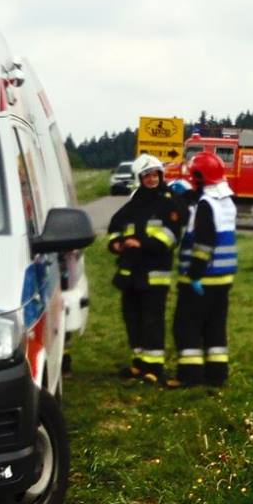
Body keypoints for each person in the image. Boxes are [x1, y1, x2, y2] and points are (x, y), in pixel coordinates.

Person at [105, 154, 180, 382]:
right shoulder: (132, 205)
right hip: (131, 274)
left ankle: (154, 368)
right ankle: (138, 363)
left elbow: (171, 235)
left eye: (155, 175)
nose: (152, 179)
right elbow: (115, 228)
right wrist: (116, 243)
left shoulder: (168, 203)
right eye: (147, 176)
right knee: (132, 318)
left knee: (152, 320)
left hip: (154, 274)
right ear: (139, 178)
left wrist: (142, 243)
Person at [173, 151, 237, 388]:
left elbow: (204, 243)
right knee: (215, 328)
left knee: (186, 326)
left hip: (203, 279)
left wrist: (194, 275)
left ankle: (190, 375)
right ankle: (217, 374)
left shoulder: (205, 205)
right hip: (223, 279)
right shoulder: (226, 201)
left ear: (199, 177)